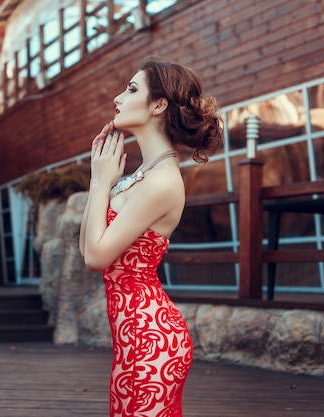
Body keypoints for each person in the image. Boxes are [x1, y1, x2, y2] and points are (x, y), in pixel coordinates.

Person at [79, 56, 223, 417]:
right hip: (131, 342)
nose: (117, 98)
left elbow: (97, 258)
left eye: (130, 90)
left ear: (158, 104)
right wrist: (101, 181)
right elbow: (87, 245)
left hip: (153, 342)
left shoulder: (161, 182)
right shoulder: (142, 175)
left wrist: (100, 183)